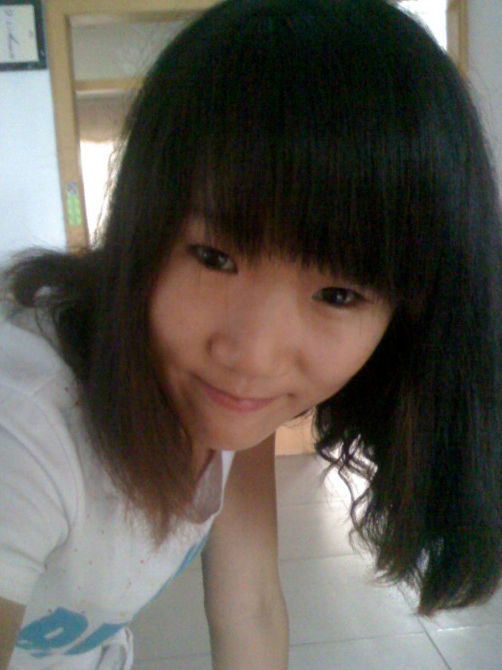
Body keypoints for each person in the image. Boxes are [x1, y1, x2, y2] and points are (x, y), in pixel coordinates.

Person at [1, 0, 502, 667]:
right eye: (214, 257)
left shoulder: (225, 409)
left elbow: (252, 605)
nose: (253, 357)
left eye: (339, 295)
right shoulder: (27, 420)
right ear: (140, 225)